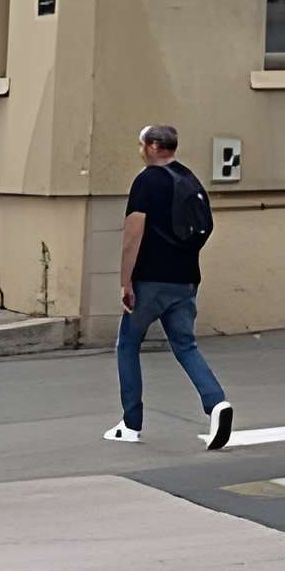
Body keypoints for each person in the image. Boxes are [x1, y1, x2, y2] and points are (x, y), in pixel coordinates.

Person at [106, 123, 234, 449]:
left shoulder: (146, 181)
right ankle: (216, 402)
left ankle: (131, 424)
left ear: (151, 146)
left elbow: (132, 236)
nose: (139, 151)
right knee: (185, 345)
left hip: (150, 281)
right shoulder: (189, 179)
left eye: (140, 145)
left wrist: (125, 282)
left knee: (127, 344)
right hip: (186, 279)